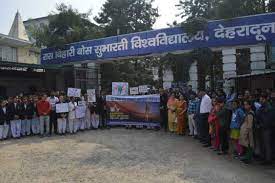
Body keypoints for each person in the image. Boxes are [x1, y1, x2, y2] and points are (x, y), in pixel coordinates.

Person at [256, 93, 274, 165]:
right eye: (260, 99)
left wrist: (261, 125)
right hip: (262, 127)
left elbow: (268, 120)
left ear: (265, 99)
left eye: (262, 99)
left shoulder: (268, 107)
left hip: (266, 128)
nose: (260, 100)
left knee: (267, 144)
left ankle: (268, 160)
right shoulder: (262, 107)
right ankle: (263, 157)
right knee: (263, 143)